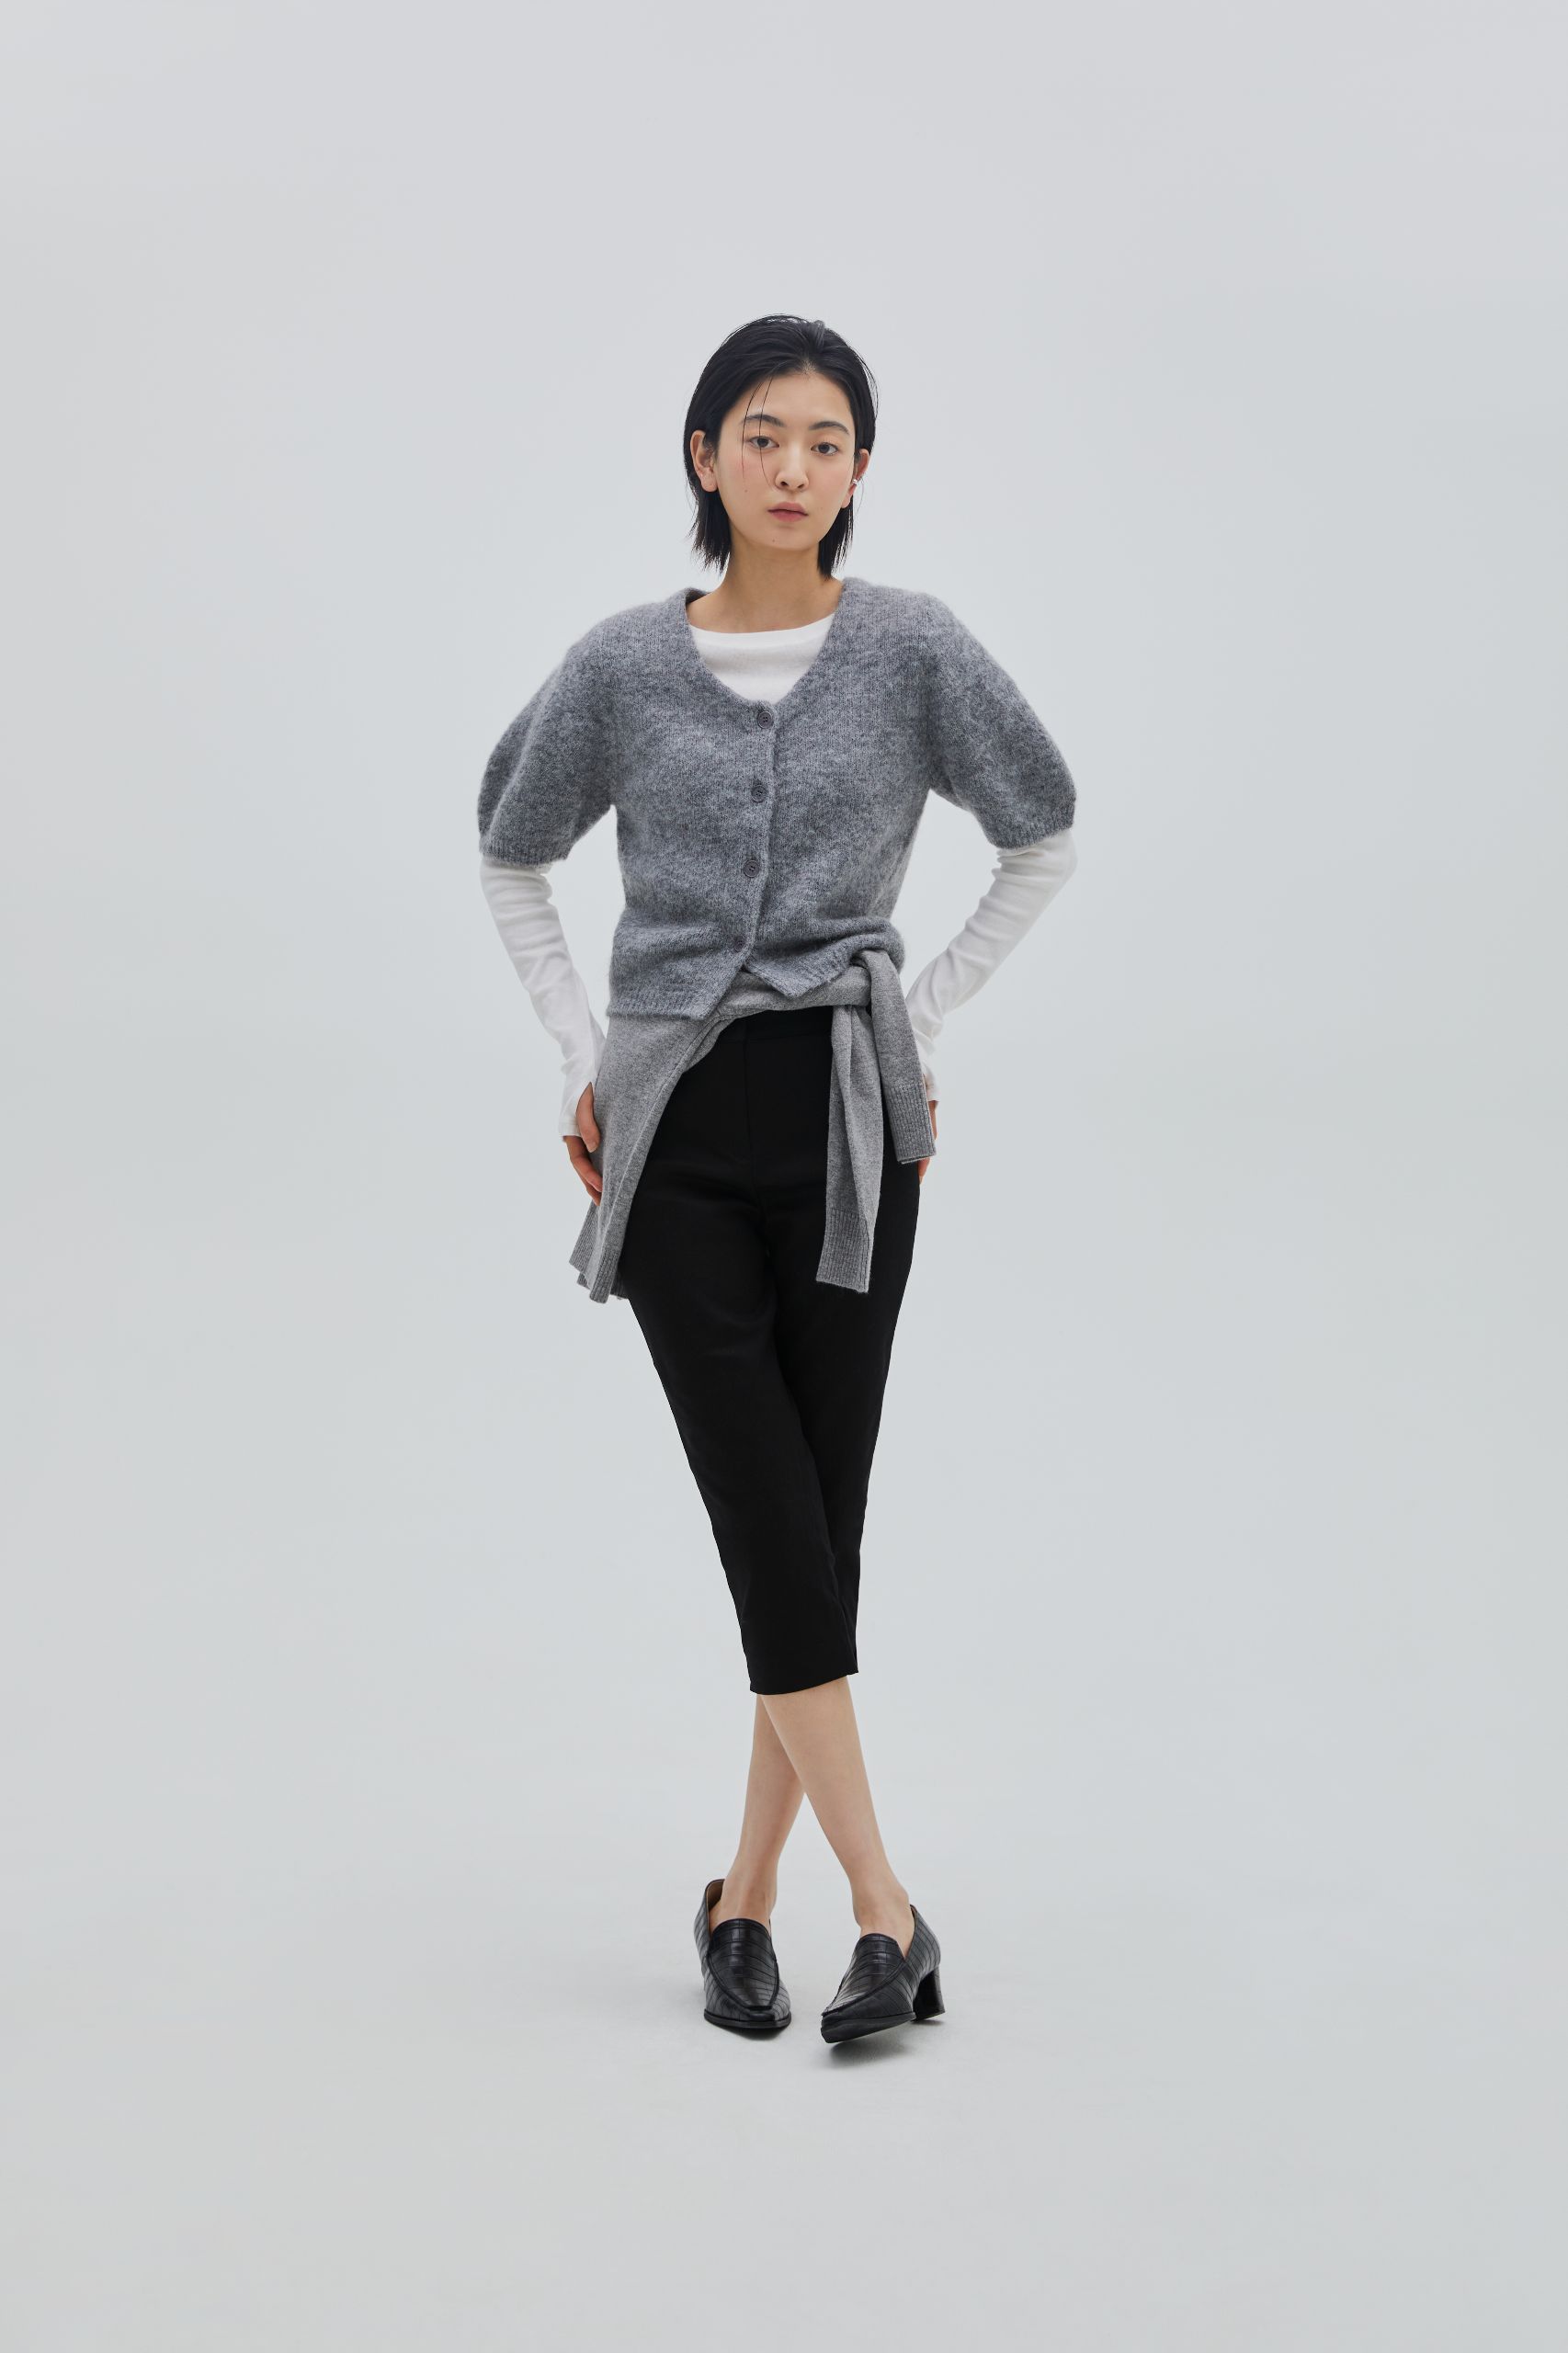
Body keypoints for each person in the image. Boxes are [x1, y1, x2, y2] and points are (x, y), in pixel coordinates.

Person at [475, 315, 1079, 2046]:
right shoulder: (618, 665)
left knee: (813, 1517)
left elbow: (1040, 831)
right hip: (671, 1125)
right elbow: (512, 849)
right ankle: (887, 1909)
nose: (793, 467)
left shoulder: (911, 649)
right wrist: (582, 1052)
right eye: (760, 434)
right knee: (761, 1502)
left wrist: (916, 1015)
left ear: (860, 469)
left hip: (847, 1125)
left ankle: (742, 1900)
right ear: (704, 456)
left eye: (825, 440)